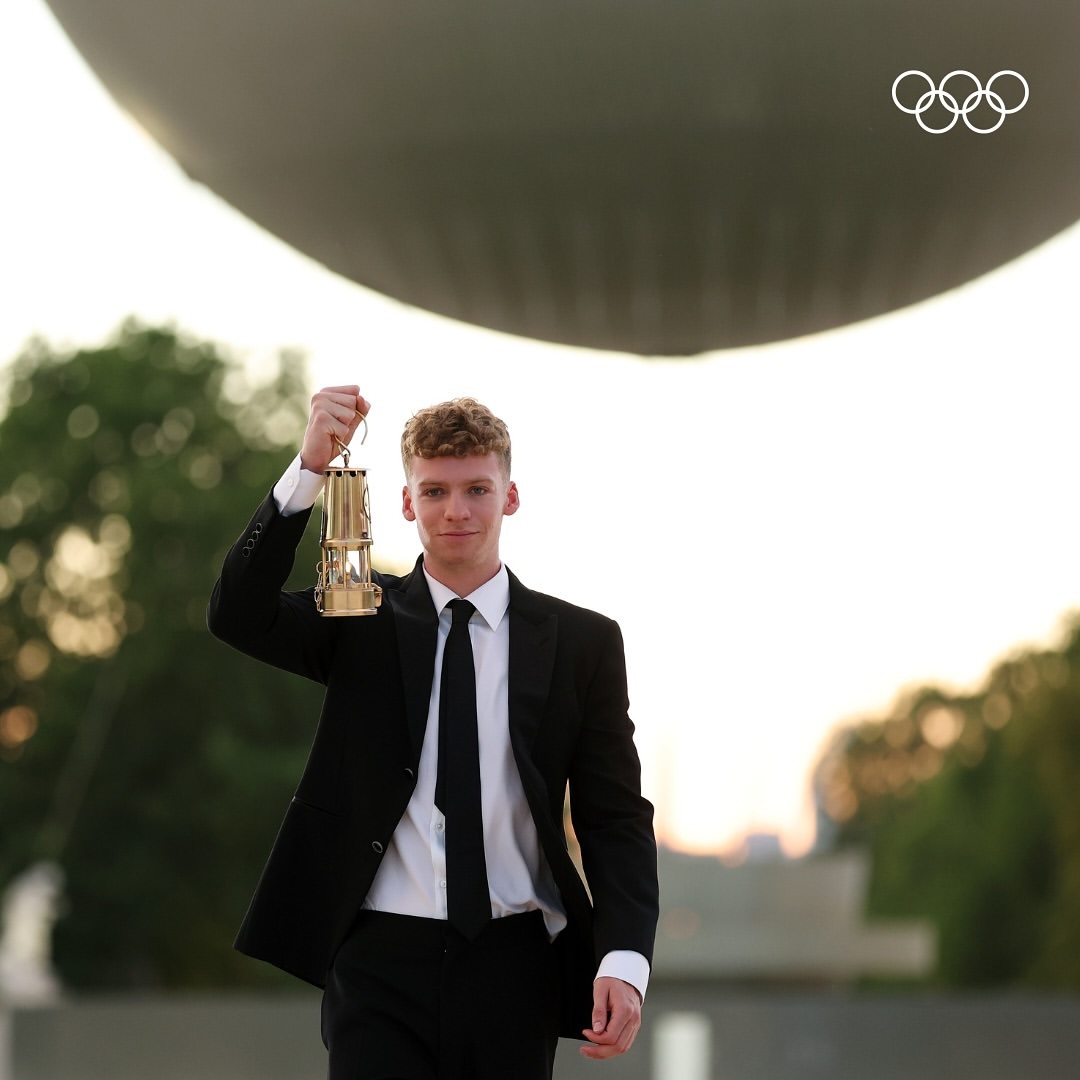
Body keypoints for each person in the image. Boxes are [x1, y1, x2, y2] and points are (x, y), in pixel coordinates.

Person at [208, 387, 659, 1079]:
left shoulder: (582, 643)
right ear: (405, 502)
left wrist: (624, 959)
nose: (456, 511)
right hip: (378, 964)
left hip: (517, 965)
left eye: (477, 489)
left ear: (510, 497)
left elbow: (615, 816)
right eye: (435, 491)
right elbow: (238, 614)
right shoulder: (359, 614)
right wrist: (309, 470)